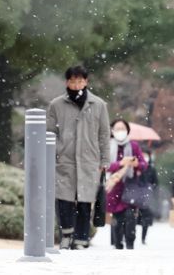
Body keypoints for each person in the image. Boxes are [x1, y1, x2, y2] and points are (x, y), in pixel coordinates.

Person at [47, 65, 111, 250]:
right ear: (67, 82)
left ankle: (82, 239)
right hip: (65, 160)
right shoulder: (56, 104)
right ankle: (66, 234)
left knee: (85, 201)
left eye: (80, 80)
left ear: (86, 82)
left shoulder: (98, 105)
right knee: (64, 199)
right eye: (73, 81)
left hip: (90, 161)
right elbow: (50, 132)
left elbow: (104, 135)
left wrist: (104, 161)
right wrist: (58, 150)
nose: (77, 85)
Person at [106, 118, 147, 249]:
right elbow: (104, 166)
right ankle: (117, 243)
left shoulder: (134, 146)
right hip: (114, 186)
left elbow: (143, 164)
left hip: (130, 186)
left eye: (122, 128)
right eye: (117, 129)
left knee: (130, 216)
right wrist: (120, 163)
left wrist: (136, 164)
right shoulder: (107, 145)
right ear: (112, 131)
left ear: (127, 131)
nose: (120, 131)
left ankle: (130, 243)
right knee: (117, 218)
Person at [137, 149, 158, 245]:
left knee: (145, 220)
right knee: (132, 219)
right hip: (137, 196)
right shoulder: (137, 168)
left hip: (148, 197)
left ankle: (143, 238)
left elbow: (156, 183)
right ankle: (130, 236)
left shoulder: (152, 169)